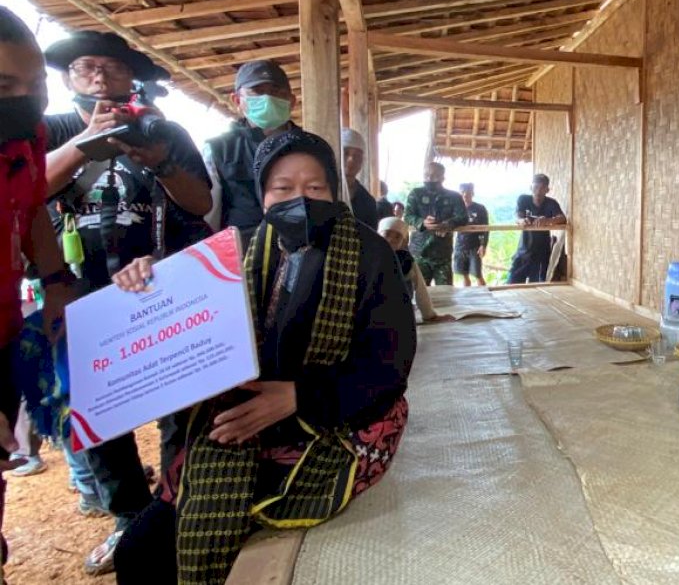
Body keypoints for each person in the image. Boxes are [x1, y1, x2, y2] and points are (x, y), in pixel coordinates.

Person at [111, 131, 416, 585]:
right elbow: (181, 325)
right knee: (140, 553)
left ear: (335, 189)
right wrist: (146, 284)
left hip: (338, 419)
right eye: (283, 188)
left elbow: (390, 364)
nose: (301, 198)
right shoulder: (234, 252)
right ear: (262, 193)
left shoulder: (370, 254)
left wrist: (299, 398)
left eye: (315, 188)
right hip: (239, 418)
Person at [42, 30, 213, 575]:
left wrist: (161, 160)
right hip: (82, 297)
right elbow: (28, 192)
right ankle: (127, 517)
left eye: (111, 69)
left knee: (179, 405)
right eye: (86, 68)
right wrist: (87, 139)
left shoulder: (167, 131)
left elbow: (203, 202)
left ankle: (174, 507)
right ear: (68, 78)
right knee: (94, 416)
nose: (99, 77)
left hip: (165, 291)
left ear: (131, 76)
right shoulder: (52, 131)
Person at [0, 5, 77, 584]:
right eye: (6, 85)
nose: (27, 98)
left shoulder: (29, 136)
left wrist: (55, 283)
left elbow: (31, 213)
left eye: (37, 85)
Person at [202, 60, 310, 233]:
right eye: (257, 92)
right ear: (237, 100)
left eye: (276, 92)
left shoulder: (311, 147)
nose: (268, 99)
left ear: (291, 101)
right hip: (240, 254)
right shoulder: (218, 150)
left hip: (301, 252)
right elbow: (209, 217)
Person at [404, 162, 467, 286]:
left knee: (445, 294)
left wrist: (447, 224)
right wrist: (422, 222)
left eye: (433, 176)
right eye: (426, 175)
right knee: (417, 293)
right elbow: (407, 216)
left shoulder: (454, 196)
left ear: (443, 177)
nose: (429, 179)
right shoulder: (416, 194)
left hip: (443, 254)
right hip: (419, 253)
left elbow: (463, 217)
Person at [378, 217, 451, 323]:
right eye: (387, 234)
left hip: (397, 310)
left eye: (397, 237)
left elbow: (420, 288)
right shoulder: (367, 257)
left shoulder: (406, 260)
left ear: (402, 242)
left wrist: (429, 315)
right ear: (377, 235)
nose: (391, 240)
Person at [507, 174, 566, 284]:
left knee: (537, 287)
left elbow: (562, 218)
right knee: (511, 284)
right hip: (523, 251)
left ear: (547, 190)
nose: (538, 191)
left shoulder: (551, 203)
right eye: (535, 187)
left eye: (542, 188)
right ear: (530, 187)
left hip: (541, 253)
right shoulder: (523, 199)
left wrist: (548, 221)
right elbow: (517, 215)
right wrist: (521, 221)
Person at [340, 127, 379, 227]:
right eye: (345, 153)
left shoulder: (368, 202)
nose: (351, 160)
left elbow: (371, 239)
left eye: (357, 156)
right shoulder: (320, 192)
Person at [453, 183, 489, 287]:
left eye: (467, 192)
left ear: (472, 193)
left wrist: (483, 245)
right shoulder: (456, 209)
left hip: (475, 246)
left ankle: (485, 297)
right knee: (464, 275)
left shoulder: (480, 208)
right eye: (462, 192)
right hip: (460, 246)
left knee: (477, 274)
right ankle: (467, 298)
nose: (465, 195)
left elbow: (485, 229)